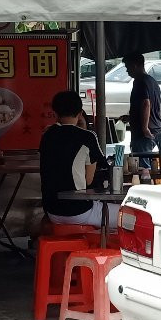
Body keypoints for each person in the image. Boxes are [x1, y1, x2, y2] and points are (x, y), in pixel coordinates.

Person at [39, 91, 118, 230]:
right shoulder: (88, 137)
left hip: (51, 211)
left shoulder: (47, 136)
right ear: (80, 112)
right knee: (129, 215)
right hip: (79, 211)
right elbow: (89, 180)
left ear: (55, 113)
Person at [123, 54, 161, 168]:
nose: (127, 71)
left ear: (134, 66)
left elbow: (146, 104)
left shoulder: (139, 81)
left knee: (143, 169)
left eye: (127, 67)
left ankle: (146, 185)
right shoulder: (152, 81)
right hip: (155, 128)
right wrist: (130, 117)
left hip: (143, 133)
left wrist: (144, 128)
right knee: (148, 165)